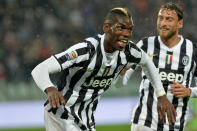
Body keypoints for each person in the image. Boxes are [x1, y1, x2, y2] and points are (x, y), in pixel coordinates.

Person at [31, 7, 176, 131]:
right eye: (121, 28)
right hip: (61, 113)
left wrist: (161, 95)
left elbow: (147, 63)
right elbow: (39, 69)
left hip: (86, 119)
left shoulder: (129, 52)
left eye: (129, 30)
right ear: (107, 28)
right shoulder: (86, 50)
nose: (126, 34)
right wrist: (50, 88)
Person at [121, 2, 197, 131]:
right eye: (160, 18)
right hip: (145, 121)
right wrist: (121, 72)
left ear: (180, 23)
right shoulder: (145, 45)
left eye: (169, 19)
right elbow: (123, 78)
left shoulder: (192, 51)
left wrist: (190, 91)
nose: (163, 23)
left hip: (176, 124)